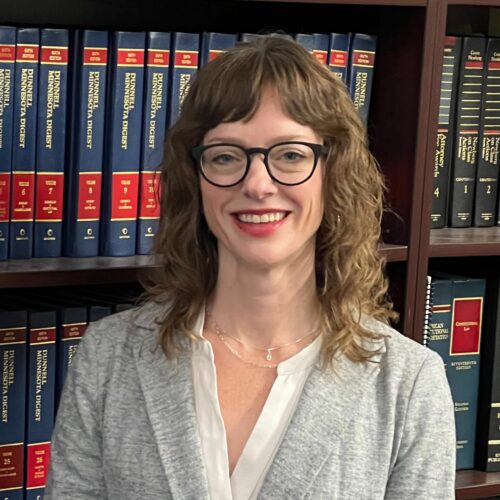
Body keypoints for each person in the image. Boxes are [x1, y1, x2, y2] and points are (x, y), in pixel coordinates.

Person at [46, 35, 455, 499]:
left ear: (333, 171)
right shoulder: (107, 359)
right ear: (195, 178)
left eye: (290, 155)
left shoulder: (408, 384)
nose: (257, 185)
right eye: (225, 156)